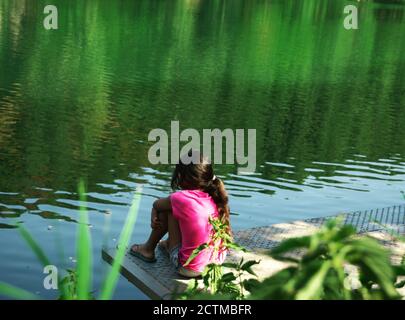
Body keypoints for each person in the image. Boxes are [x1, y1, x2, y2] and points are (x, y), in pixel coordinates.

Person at [130, 150, 231, 278]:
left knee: (169, 209)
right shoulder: (215, 197)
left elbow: (157, 205)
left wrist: (154, 212)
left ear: (182, 177)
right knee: (182, 213)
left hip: (189, 269)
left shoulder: (180, 198)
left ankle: (147, 249)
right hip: (215, 265)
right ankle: (167, 244)